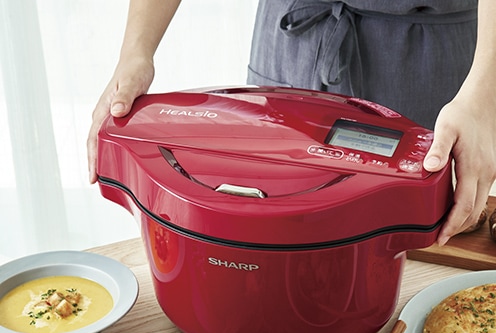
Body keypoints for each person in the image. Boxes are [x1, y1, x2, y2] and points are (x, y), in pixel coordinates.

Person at [87, 0, 496, 246]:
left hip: (425, 52)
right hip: (288, 44)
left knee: (425, 238)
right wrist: (136, 52)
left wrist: (481, 98)